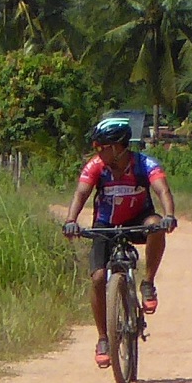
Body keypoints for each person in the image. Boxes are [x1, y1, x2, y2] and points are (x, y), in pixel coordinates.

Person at [61, 116, 176, 369]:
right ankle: (103, 338)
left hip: (137, 221)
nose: (98, 152)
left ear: (119, 146)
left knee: (155, 225)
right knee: (99, 278)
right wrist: (71, 219)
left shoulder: (145, 164)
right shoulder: (95, 167)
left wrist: (168, 216)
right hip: (105, 226)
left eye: (103, 147)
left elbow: (162, 190)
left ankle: (147, 283)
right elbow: (81, 192)